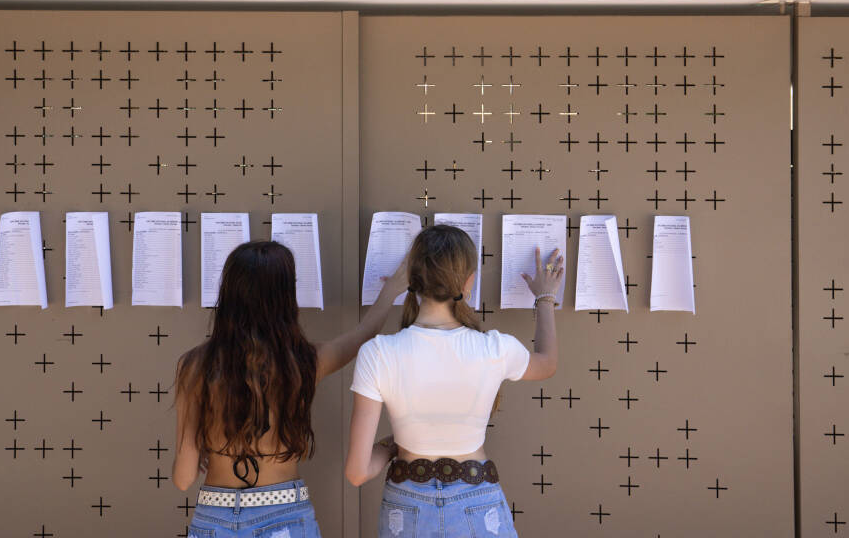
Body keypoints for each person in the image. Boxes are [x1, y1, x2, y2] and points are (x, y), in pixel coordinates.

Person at [172, 240, 408, 538]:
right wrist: (392, 290)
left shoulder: (194, 367)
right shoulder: (304, 363)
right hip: (286, 513)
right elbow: (363, 335)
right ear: (284, 298)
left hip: (215, 516)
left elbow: (183, 478)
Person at [345, 225, 563, 538]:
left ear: (413, 279)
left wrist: (392, 445)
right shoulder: (494, 348)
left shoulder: (378, 353)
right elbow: (547, 363)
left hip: (405, 506)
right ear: (469, 281)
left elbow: (357, 473)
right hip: (477, 500)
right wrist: (545, 297)